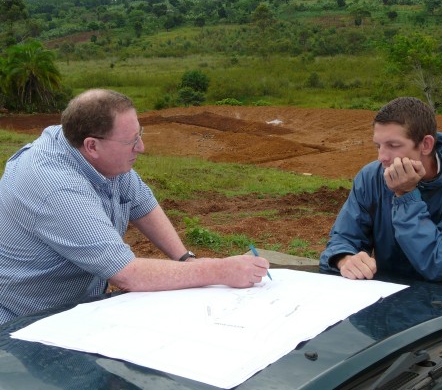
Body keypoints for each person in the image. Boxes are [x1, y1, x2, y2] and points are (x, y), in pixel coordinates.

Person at [0, 89, 269, 325]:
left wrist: (186, 258)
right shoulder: (58, 189)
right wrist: (219, 270)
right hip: (25, 323)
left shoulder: (85, 145)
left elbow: (141, 203)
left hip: (73, 307)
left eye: (139, 134)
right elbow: (127, 274)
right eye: (131, 141)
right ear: (92, 146)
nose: (141, 147)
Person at [320, 97, 442, 284]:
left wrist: (406, 195)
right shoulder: (371, 176)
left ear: (426, 145)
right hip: (387, 294)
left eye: (393, 145)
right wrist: (344, 258)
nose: (382, 157)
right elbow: (344, 237)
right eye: (378, 146)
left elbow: (441, 263)